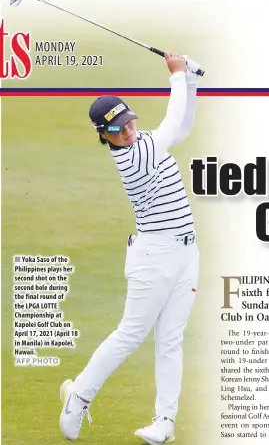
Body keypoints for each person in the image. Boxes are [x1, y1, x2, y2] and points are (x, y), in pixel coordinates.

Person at [60, 52, 200, 445]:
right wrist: (177, 76)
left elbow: (181, 129)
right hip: (153, 257)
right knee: (132, 333)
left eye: (128, 122)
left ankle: (164, 423)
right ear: (104, 135)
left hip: (186, 254)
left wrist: (191, 83)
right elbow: (174, 124)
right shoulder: (134, 157)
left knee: (171, 338)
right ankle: (79, 395)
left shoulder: (145, 142)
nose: (127, 131)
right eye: (116, 130)